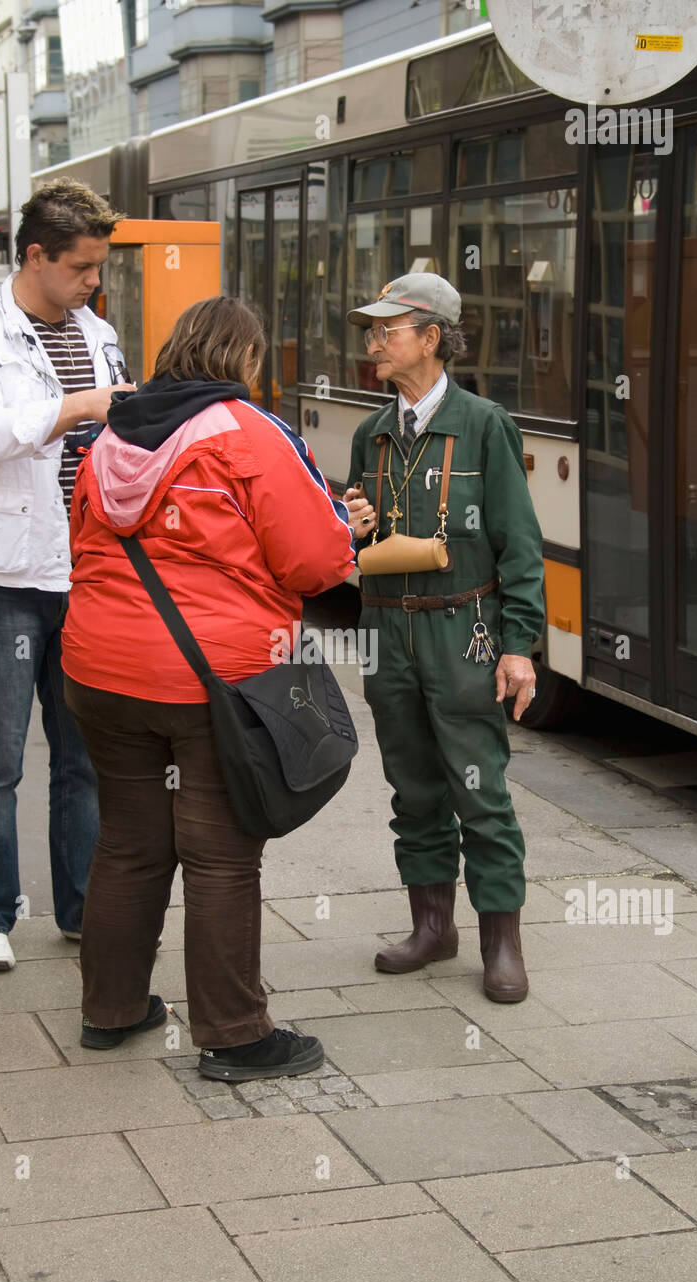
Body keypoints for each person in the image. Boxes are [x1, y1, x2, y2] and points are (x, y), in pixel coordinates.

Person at [60, 295, 356, 1075]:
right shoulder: (249, 433)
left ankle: (111, 1010)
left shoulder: (108, 432)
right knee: (223, 857)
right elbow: (316, 562)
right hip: (211, 680)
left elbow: (82, 540)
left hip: (98, 669)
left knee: (127, 844)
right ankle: (235, 1035)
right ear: (246, 359)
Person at [0, 178, 134, 972]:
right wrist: (77, 407)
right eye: (82, 267)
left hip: (85, 571)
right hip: (3, 577)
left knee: (83, 757)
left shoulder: (98, 330)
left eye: (98, 268)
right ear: (36, 256)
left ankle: (84, 908)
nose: (94, 282)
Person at [343, 273, 544, 1002]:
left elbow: (519, 544)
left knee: (480, 789)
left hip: (465, 630)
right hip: (389, 629)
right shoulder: (372, 433)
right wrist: (357, 525)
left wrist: (518, 646)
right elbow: (363, 539)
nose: (374, 343)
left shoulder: (485, 424)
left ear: (430, 338)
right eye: (372, 331)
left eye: (386, 331)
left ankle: (502, 942)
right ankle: (432, 928)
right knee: (414, 787)